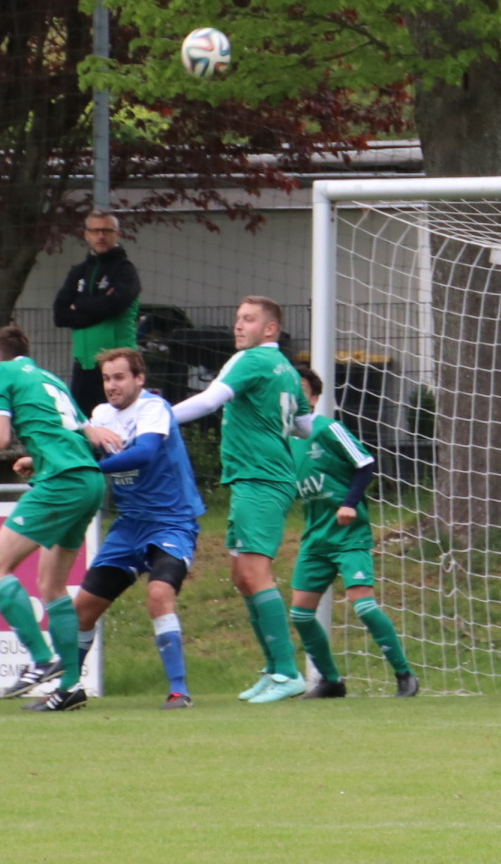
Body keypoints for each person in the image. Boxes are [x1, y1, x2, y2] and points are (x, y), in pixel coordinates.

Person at [172, 296, 312, 704]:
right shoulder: (286, 368)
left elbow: (208, 400)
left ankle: (288, 673)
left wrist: (154, 417)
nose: (238, 325)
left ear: (270, 329)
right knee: (241, 574)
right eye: (237, 318)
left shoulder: (251, 360)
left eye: (248, 319)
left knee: (255, 574)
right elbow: (304, 426)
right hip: (257, 478)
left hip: (261, 478)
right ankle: (273, 669)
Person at [0, 325, 119, 712]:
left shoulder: (2, 372)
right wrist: (37, 458)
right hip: (89, 481)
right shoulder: (48, 378)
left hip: (61, 482)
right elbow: (83, 432)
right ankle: (70, 687)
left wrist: (12, 435)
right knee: (52, 585)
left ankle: (41, 660)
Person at [73, 348, 205, 710]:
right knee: (83, 608)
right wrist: (39, 461)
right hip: (129, 525)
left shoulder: (153, 408)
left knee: (159, 594)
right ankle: (69, 687)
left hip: (172, 522)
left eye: (119, 377)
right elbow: (78, 451)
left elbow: (145, 452)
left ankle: (179, 691)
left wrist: (91, 468)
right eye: (106, 379)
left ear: (139, 378)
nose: (111, 385)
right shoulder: (101, 415)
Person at [289, 366, 419, 699]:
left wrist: (349, 503)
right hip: (315, 538)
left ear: (314, 399)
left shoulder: (329, 428)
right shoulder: (285, 439)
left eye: (301, 388)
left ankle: (404, 675)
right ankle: (331, 681)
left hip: (349, 535)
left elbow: (365, 463)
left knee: (363, 606)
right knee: (300, 614)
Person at [53, 209, 141, 417]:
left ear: (117, 234)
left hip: (118, 366)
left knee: (120, 426)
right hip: (83, 366)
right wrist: (99, 304)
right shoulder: (77, 272)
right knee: (83, 427)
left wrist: (78, 304)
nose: (100, 236)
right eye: (95, 231)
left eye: (106, 231)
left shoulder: (125, 270)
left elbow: (114, 305)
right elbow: (60, 315)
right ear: (86, 234)